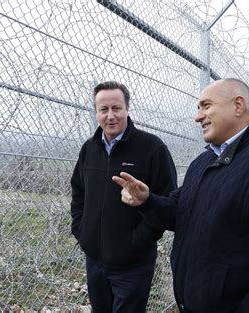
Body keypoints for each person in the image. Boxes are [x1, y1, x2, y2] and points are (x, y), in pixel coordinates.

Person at [112, 78, 249, 313]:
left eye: (206, 106)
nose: (198, 116)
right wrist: (148, 202)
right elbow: (180, 212)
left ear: (238, 106)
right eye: (198, 108)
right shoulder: (204, 162)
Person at [70, 81, 177, 312]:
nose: (110, 116)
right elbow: (78, 192)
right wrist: (81, 230)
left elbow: (167, 202)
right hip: (95, 261)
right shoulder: (89, 149)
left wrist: (136, 242)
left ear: (127, 109)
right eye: (103, 109)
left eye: (116, 108)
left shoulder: (152, 148)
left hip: (133, 265)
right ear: (96, 112)